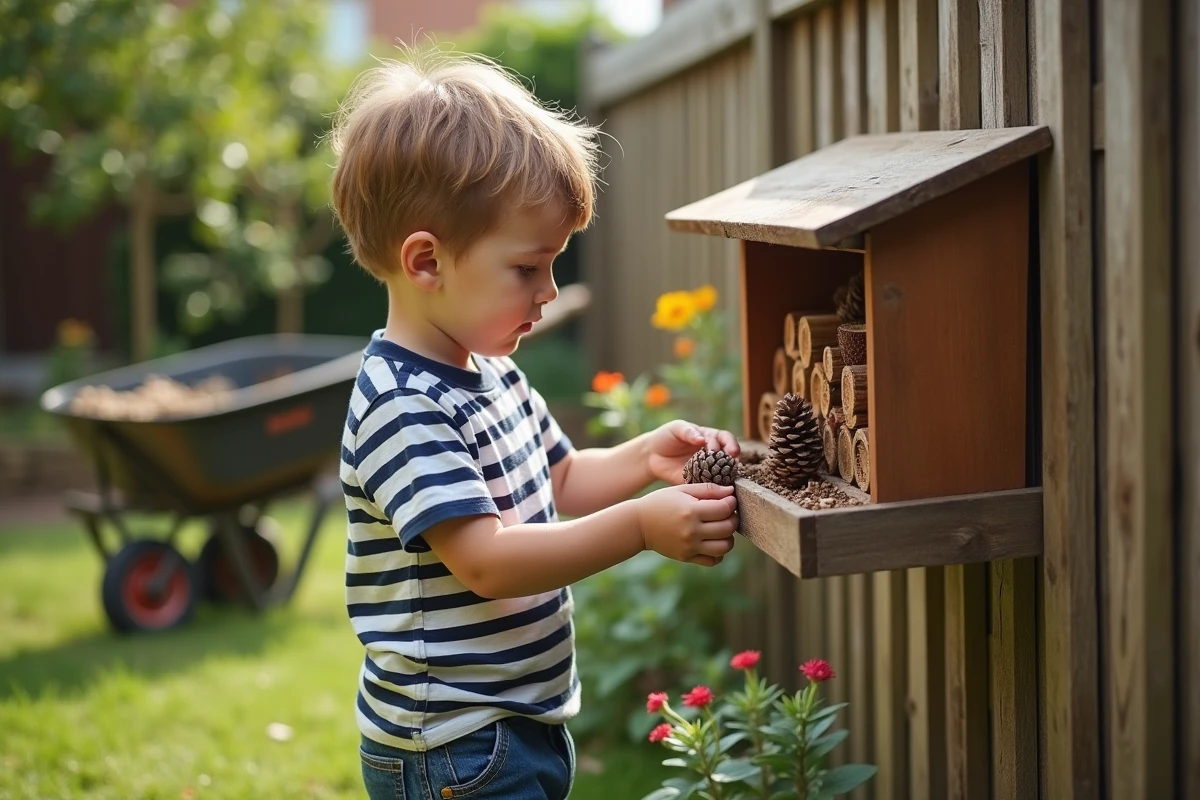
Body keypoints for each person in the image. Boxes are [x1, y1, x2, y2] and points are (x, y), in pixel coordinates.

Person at [329, 47, 740, 800]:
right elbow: (487, 561)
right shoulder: (403, 404)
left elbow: (562, 477)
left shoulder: (492, 374)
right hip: (453, 741)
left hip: (514, 720)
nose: (549, 290)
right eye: (528, 267)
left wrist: (647, 456)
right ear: (426, 262)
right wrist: (640, 526)